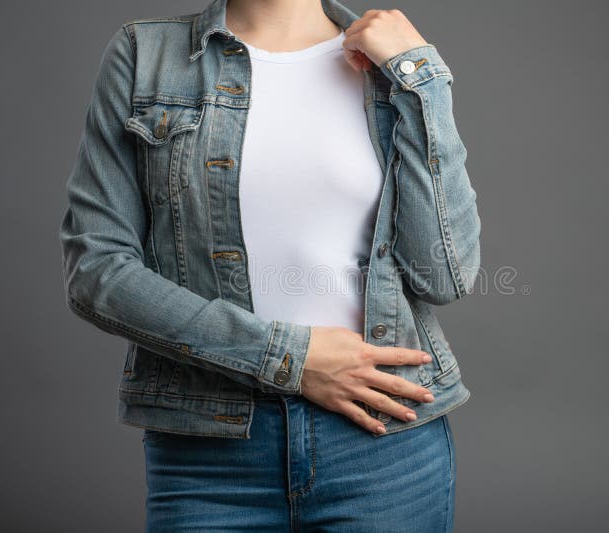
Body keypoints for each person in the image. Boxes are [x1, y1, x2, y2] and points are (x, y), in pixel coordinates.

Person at [59, 0, 481, 530]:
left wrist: (424, 81)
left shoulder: (392, 64)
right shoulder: (148, 56)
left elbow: (443, 275)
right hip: (209, 452)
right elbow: (96, 270)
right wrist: (289, 357)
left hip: (382, 446)